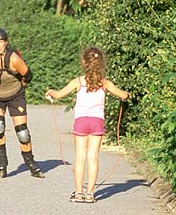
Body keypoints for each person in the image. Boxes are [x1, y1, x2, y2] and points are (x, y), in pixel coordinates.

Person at [45, 46, 130, 203]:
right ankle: (90, 194)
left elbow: (58, 95)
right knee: (93, 158)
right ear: (101, 63)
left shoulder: (77, 82)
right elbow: (123, 95)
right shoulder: (105, 83)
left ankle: (78, 193)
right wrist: (127, 95)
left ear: (84, 62)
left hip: (81, 122)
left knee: (80, 158)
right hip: (97, 122)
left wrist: (50, 91)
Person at [0, 27, 44, 179]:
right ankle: (2, 160)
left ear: (6, 42)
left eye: (1, 42)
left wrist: (21, 86)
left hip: (15, 95)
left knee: (22, 131)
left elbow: (28, 75)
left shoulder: (14, 59)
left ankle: (30, 161)